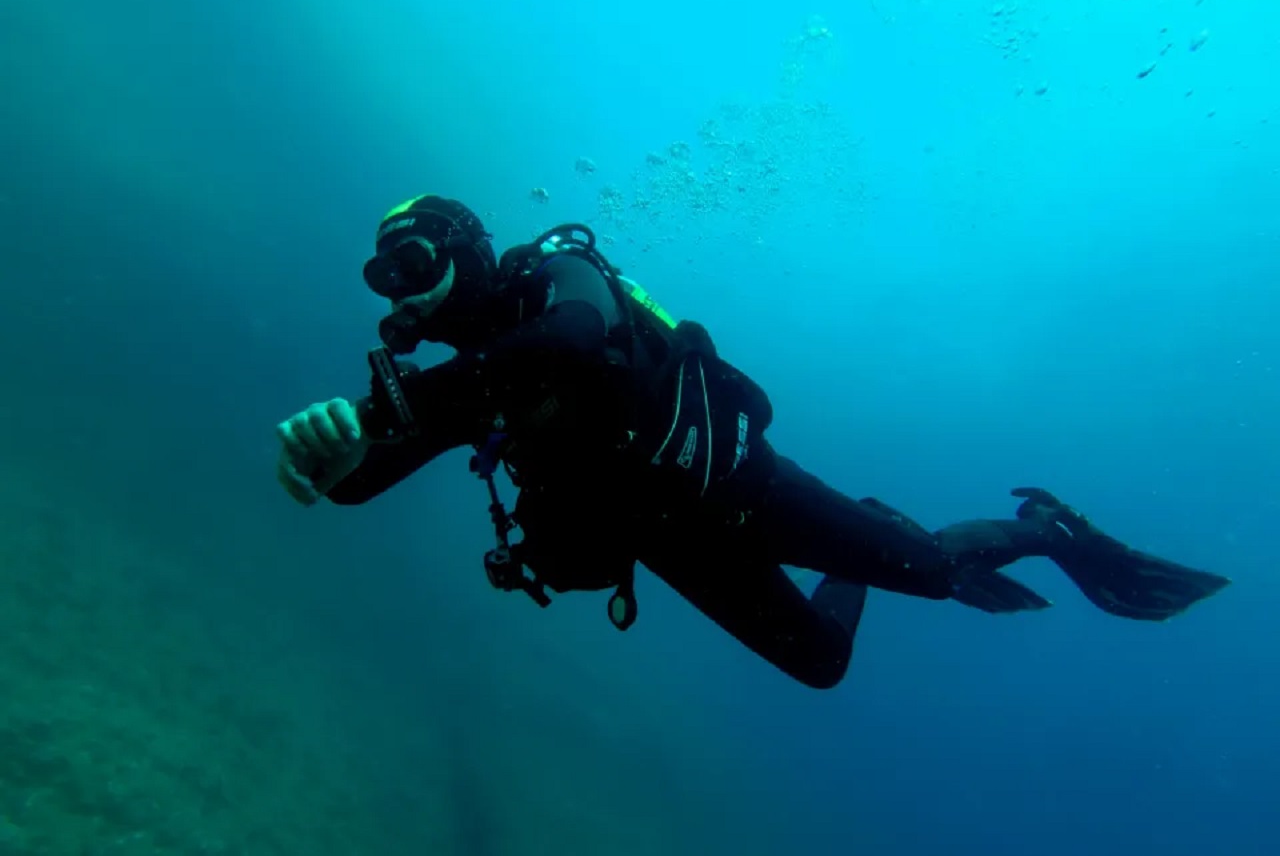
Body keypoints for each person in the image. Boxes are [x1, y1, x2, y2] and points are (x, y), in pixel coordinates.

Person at [275, 194, 1230, 689]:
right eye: (383, 275)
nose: (400, 290)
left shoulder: (554, 277)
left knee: (937, 572)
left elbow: (569, 346)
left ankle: (1051, 530)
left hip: (742, 486)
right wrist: (327, 462)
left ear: (470, 248)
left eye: (414, 261)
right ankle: (878, 528)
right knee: (822, 664)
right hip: (670, 536)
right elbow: (361, 479)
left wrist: (379, 417)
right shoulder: (449, 388)